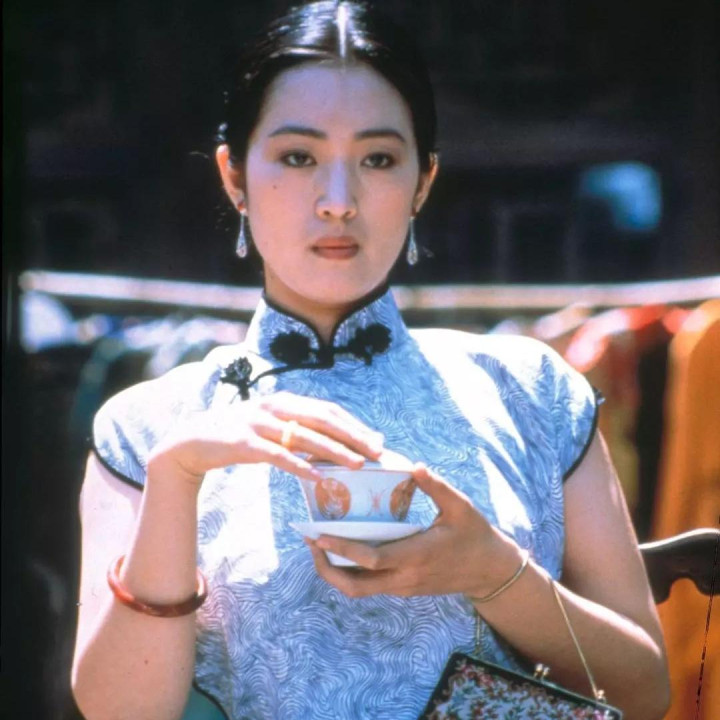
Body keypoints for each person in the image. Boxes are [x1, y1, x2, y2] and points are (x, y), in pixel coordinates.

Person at [70, 2, 670, 719]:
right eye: (298, 157)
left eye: (378, 159)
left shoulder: (531, 390)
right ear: (234, 176)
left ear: (423, 181)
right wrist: (175, 479)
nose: (337, 201)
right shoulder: (148, 427)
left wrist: (496, 574)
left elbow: (645, 691)